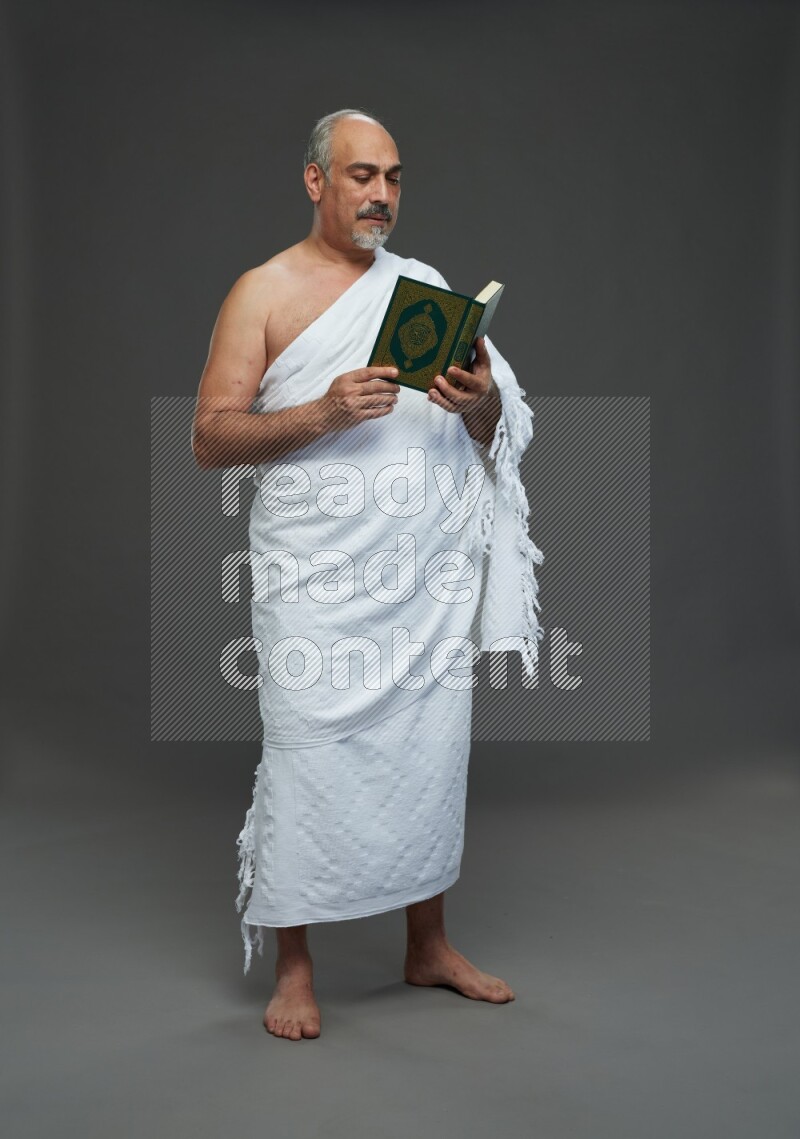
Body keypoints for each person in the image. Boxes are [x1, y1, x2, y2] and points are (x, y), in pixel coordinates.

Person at [191, 109, 543, 1041]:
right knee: (306, 754)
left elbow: (485, 438)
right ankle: (294, 964)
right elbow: (210, 438)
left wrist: (483, 401)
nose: (380, 194)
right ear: (316, 182)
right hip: (315, 575)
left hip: (420, 581)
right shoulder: (261, 292)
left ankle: (426, 943)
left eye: (391, 176)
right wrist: (320, 411)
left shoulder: (423, 288)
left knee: (428, 754)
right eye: (359, 175)